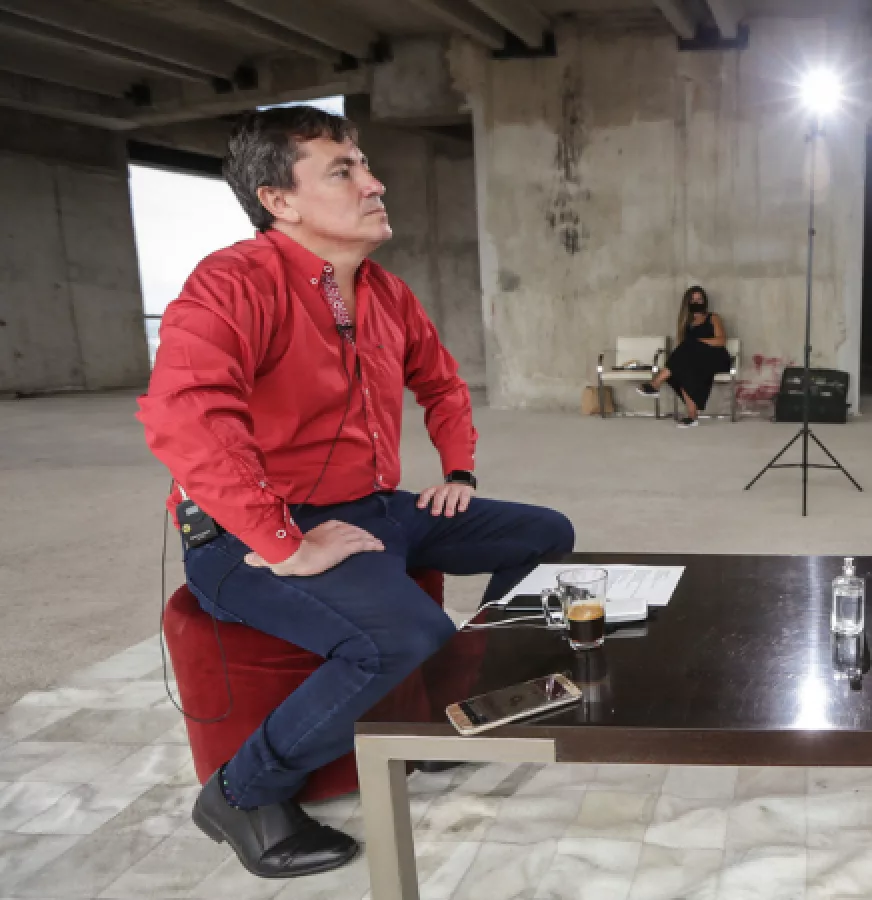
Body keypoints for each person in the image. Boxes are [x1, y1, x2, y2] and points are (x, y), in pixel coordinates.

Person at [137, 107, 575, 879]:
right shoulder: (233, 282)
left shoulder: (385, 292)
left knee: (544, 535)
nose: (374, 184)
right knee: (406, 636)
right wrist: (283, 543)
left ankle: (454, 707)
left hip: (371, 507)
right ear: (279, 200)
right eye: (343, 171)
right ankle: (242, 793)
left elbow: (442, 385)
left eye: (365, 164)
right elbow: (187, 418)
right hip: (244, 534)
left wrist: (459, 471)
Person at [638, 285, 732, 427]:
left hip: (717, 358)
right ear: (688, 303)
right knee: (682, 370)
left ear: (704, 301)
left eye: (699, 299)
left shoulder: (713, 317)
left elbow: (721, 341)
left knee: (686, 352)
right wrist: (692, 346)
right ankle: (692, 416)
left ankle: (656, 383)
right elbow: (684, 350)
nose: (697, 302)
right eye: (693, 300)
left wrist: (698, 342)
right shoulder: (687, 323)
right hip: (697, 361)